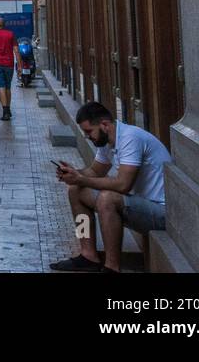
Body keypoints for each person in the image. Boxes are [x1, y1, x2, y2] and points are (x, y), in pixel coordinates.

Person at [50, 102, 172, 273]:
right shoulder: (108, 141)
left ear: (105, 125)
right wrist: (73, 174)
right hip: (139, 206)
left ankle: (111, 266)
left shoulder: (130, 138)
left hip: (162, 212)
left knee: (107, 198)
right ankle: (88, 255)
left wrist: (81, 179)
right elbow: (94, 171)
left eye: (89, 131)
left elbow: (123, 185)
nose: (88, 137)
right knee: (75, 190)